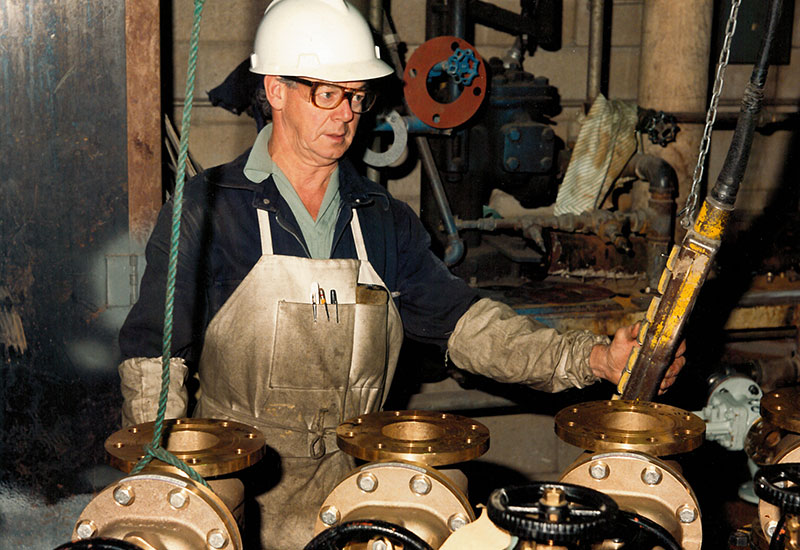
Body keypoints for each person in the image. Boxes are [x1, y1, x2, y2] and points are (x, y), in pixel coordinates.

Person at [118, 1, 685, 548]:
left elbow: (467, 326)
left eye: (357, 97)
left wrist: (590, 358)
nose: (346, 114)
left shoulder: (383, 220)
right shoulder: (209, 207)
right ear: (276, 91)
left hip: (358, 494)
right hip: (236, 503)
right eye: (329, 94)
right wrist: (167, 497)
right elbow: (153, 361)